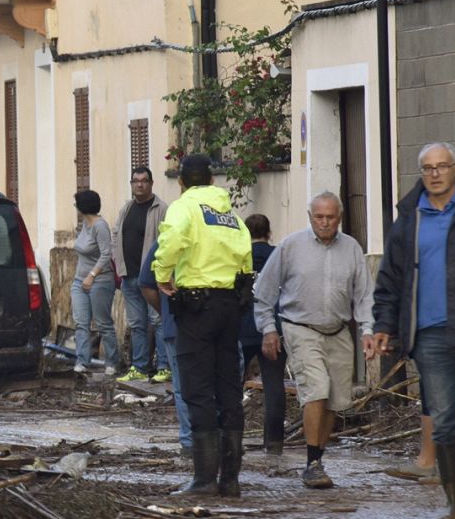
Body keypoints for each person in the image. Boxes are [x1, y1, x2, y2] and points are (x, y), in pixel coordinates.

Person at [373, 141, 455, 519]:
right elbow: (391, 278)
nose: (435, 174)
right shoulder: (409, 219)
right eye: (427, 168)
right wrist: (383, 324)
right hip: (429, 333)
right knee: (444, 420)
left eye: (441, 166)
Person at [253, 194, 377, 489]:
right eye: (319, 217)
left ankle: (318, 458)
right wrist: (269, 329)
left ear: (340, 217)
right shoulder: (291, 246)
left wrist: (368, 330)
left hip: (337, 330)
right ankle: (311, 462)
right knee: (316, 390)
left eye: (331, 217)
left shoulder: (351, 249)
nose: (325, 222)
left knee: (335, 399)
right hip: (300, 327)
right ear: (310, 217)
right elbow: (264, 291)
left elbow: (364, 294)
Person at [153, 154, 253, 497]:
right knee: (228, 389)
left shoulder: (184, 208)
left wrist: (162, 274)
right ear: (212, 180)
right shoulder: (228, 213)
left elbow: (172, 240)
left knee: (197, 389)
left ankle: (205, 479)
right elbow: (245, 254)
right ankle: (231, 479)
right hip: (229, 306)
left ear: (181, 181)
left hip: (196, 306)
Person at [112, 167, 169, 382]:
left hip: (152, 278)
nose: (140, 185)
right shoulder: (126, 208)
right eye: (135, 181)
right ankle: (140, 367)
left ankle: (164, 367)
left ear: (151, 183)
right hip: (129, 276)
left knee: (158, 321)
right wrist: (118, 264)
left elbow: (168, 240)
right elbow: (116, 234)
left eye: (144, 181)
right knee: (137, 324)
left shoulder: (161, 209)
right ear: (131, 184)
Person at [238, 214, 289, 457]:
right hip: (273, 329)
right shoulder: (278, 256)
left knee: (231, 386)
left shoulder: (239, 257)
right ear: (269, 233)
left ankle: (232, 437)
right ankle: (275, 442)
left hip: (242, 328)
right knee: (274, 385)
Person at [139, 238, 192, 453]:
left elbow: (146, 283)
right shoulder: (221, 230)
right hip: (214, 324)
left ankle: (190, 443)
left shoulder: (167, 239)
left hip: (177, 325)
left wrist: (166, 311)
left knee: (182, 387)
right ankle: (215, 440)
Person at [70, 189, 120, 376]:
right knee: (81, 322)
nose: (75, 208)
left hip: (100, 280)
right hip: (79, 281)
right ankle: (82, 360)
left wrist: (92, 275)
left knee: (103, 323)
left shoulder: (101, 226)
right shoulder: (85, 224)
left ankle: (112, 362)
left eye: (77, 205)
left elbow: (106, 254)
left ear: (83, 207)